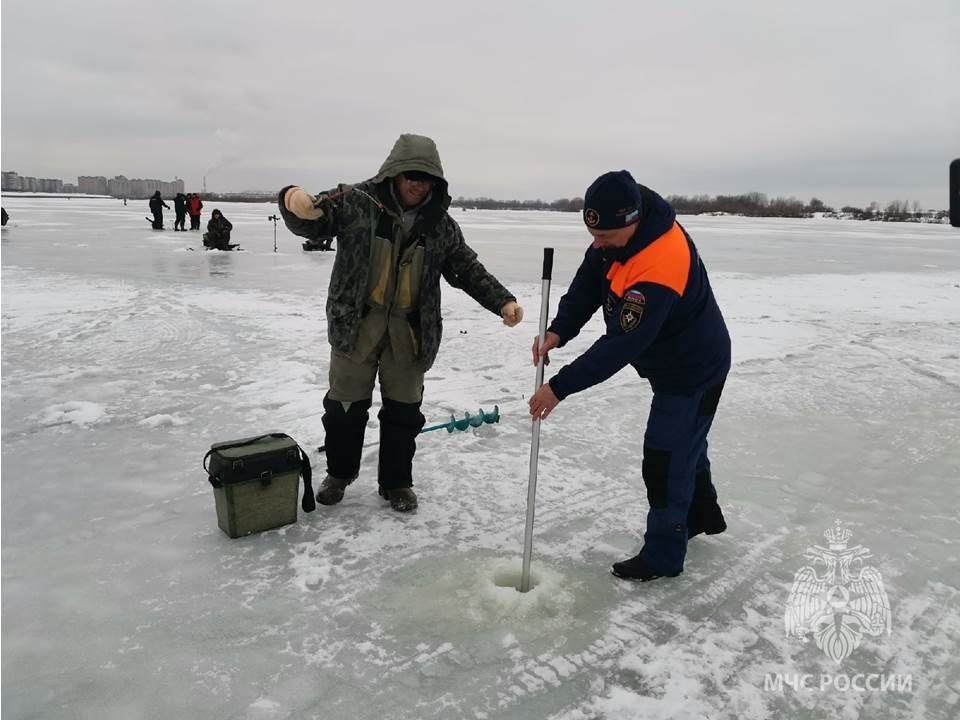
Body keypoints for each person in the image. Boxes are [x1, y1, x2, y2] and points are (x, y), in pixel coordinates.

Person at [278, 133, 524, 512]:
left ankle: (396, 483)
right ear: (393, 173)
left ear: (436, 183)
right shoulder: (357, 202)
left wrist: (503, 301)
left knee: (404, 412)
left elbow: (467, 269)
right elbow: (315, 219)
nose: (416, 183)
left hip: (410, 331)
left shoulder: (440, 225)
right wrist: (293, 203)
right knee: (344, 408)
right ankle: (340, 474)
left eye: (425, 177)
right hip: (356, 327)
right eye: (410, 174)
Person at [528, 170, 731, 582]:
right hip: (671, 361)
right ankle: (701, 514)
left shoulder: (660, 261)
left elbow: (622, 344)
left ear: (633, 220)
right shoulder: (614, 236)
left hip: (693, 369)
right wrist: (559, 329)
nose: (597, 245)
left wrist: (559, 387)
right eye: (593, 234)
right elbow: (589, 282)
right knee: (685, 445)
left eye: (604, 237)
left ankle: (664, 553)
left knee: (665, 459)